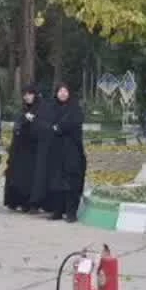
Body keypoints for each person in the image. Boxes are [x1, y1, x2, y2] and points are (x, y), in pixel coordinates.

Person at [33, 82, 88, 222]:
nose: (63, 93)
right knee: (55, 182)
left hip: (71, 151)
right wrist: (53, 128)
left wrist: (58, 128)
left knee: (71, 182)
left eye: (65, 91)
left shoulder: (75, 108)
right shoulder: (51, 108)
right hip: (55, 150)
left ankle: (71, 212)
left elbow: (73, 124)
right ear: (56, 93)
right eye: (60, 91)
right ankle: (57, 211)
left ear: (69, 93)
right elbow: (43, 124)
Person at [3, 86, 43, 212]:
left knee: (31, 176)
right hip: (20, 148)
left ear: (35, 95)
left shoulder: (41, 109)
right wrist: (24, 120)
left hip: (34, 149)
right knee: (18, 176)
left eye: (30, 94)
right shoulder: (23, 109)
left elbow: (43, 126)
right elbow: (17, 127)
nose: (27, 97)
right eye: (25, 94)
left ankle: (31, 203)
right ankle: (17, 201)